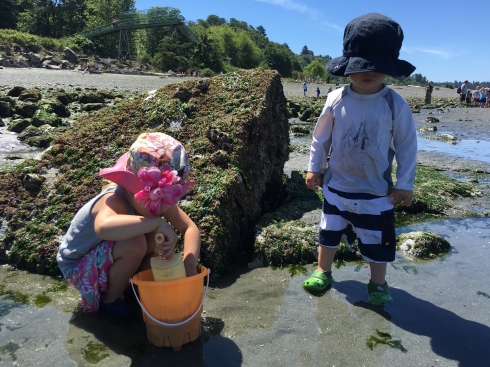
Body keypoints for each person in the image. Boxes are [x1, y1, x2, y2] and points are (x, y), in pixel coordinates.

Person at [302, 13, 417, 306]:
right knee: (328, 231)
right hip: (337, 185)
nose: (369, 72)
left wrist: (405, 183)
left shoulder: (394, 103)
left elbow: (406, 146)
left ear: (389, 67)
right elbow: (320, 138)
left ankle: (378, 283)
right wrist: (314, 167)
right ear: (347, 66)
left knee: (376, 239)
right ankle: (322, 270)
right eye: (361, 66)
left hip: (375, 192)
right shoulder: (336, 98)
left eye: (377, 66)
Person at [56, 132, 201, 319]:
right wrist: (157, 222)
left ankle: (131, 286)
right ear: (131, 190)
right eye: (155, 199)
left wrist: (189, 266)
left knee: (161, 247)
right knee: (136, 243)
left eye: (167, 198)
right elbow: (104, 227)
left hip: (107, 258)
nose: (160, 206)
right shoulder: (114, 200)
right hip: (78, 266)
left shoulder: (160, 199)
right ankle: (111, 299)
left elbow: (190, 228)